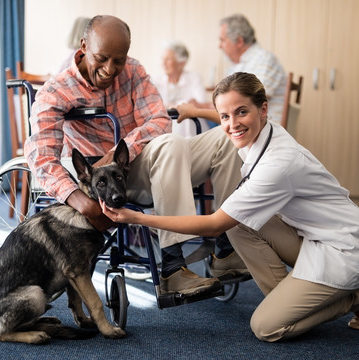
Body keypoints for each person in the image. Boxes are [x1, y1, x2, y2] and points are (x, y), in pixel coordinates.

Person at [101, 72, 359, 342]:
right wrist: (198, 110)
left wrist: (137, 217)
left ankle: (354, 295)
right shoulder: (262, 134)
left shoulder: (277, 165)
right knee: (241, 223)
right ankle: (295, 300)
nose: (233, 124)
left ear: (263, 109)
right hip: (316, 235)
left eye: (242, 112)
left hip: (342, 248)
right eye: (224, 116)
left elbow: (214, 224)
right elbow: (233, 122)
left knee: (266, 327)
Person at [24, 15, 247, 297]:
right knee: (171, 144)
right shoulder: (56, 90)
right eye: (102, 58)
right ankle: (173, 268)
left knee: (227, 136)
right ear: (83, 46)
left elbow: (158, 119)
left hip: (140, 162)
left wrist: (121, 151)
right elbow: (41, 157)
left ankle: (226, 250)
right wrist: (82, 201)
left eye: (118, 60)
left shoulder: (133, 70)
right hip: (107, 182)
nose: (110, 69)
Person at [151, 41, 212, 138]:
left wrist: (177, 105)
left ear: (181, 63)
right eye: (163, 59)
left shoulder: (194, 78)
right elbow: (152, 106)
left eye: (168, 59)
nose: (163, 63)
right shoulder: (155, 80)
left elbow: (200, 103)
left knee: (185, 112)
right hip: (165, 127)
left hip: (193, 126)